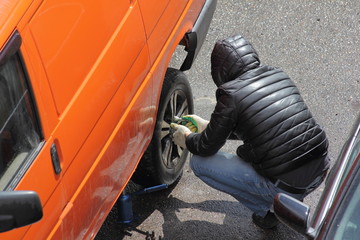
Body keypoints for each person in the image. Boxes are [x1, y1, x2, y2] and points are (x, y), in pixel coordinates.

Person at [171, 34, 330, 229]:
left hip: (287, 186)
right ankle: (287, 201)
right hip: (320, 170)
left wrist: (186, 138)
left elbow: (204, 147)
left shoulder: (231, 95)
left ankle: (272, 210)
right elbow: (263, 127)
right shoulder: (278, 74)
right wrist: (207, 126)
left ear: (220, 70)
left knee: (199, 163)